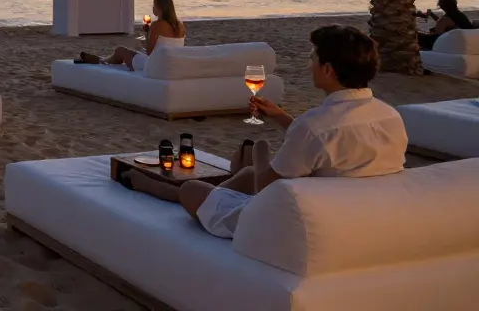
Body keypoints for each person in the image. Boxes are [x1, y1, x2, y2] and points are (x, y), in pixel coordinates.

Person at [121, 25, 407, 239]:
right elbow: (333, 142)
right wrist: (282, 118)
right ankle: (210, 186)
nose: (309, 66)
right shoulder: (390, 116)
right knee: (244, 175)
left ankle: (168, 190)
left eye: (312, 59)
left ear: (329, 70)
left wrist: (260, 151)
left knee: (195, 188)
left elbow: (268, 189)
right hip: (358, 214)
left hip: (301, 222)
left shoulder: (314, 126)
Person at [79, 0, 185, 72]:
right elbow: (167, 45)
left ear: (161, 8)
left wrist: (147, 38)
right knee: (127, 53)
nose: (153, 8)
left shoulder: (157, 25)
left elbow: (150, 52)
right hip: (170, 63)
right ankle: (104, 60)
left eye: (154, 6)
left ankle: (102, 61)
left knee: (120, 50)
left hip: (154, 65)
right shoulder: (180, 25)